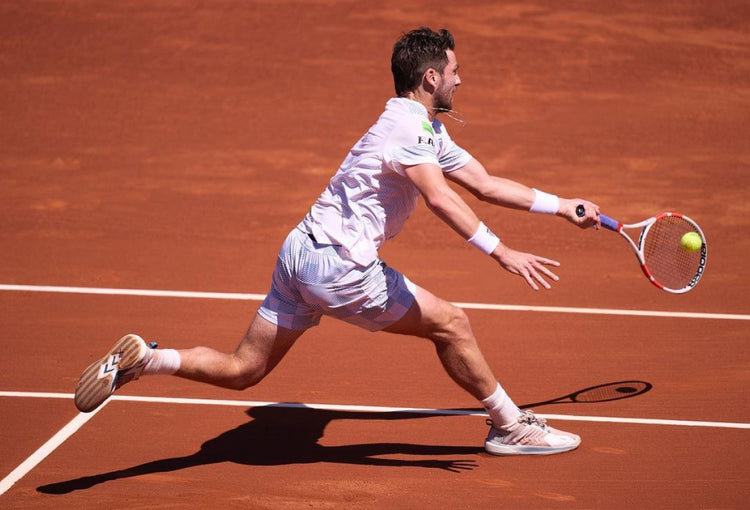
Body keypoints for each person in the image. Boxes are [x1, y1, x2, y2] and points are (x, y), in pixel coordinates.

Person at [75, 27, 601, 456]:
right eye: (456, 72)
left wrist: (562, 205)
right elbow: (441, 200)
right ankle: (509, 426)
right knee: (453, 323)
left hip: (298, 253)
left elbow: (485, 185)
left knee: (244, 370)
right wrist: (501, 251)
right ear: (432, 77)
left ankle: (148, 359)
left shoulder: (423, 129)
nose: (462, 81)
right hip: (340, 268)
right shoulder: (410, 132)